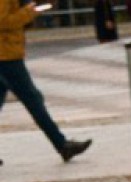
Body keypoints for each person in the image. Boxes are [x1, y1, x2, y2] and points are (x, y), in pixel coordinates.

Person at [0, 0, 93, 164]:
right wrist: (29, 12)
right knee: (33, 100)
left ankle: (62, 145)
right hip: (6, 56)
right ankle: (62, 145)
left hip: (6, 53)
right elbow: (3, 20)